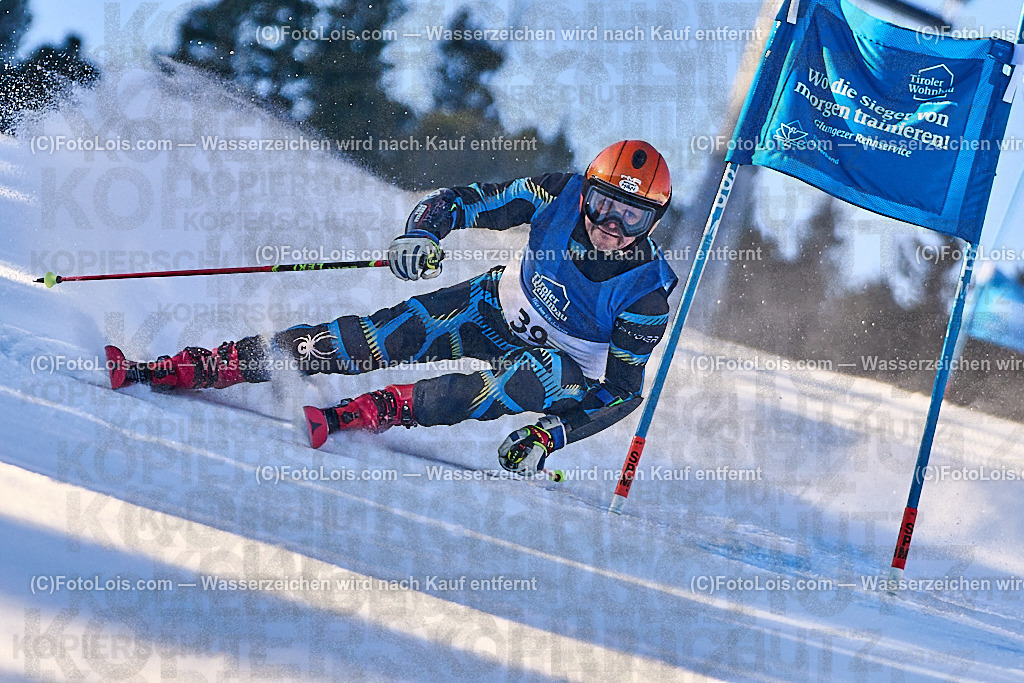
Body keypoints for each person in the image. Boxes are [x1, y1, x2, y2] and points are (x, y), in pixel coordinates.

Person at [107, 140, 678, 475]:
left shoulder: (645, 293)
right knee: (369, 340)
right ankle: (204, 365)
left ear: (653, 221)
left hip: (562, 367)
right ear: (588, 193)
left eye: (633, 217)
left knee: (526, 380)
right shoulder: (557, 194)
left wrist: (552, 435)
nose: (611, 226)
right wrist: (423, 234)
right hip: (494, 307)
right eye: (605, 205)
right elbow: (464, 203)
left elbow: (625, 391)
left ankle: (380, 409)